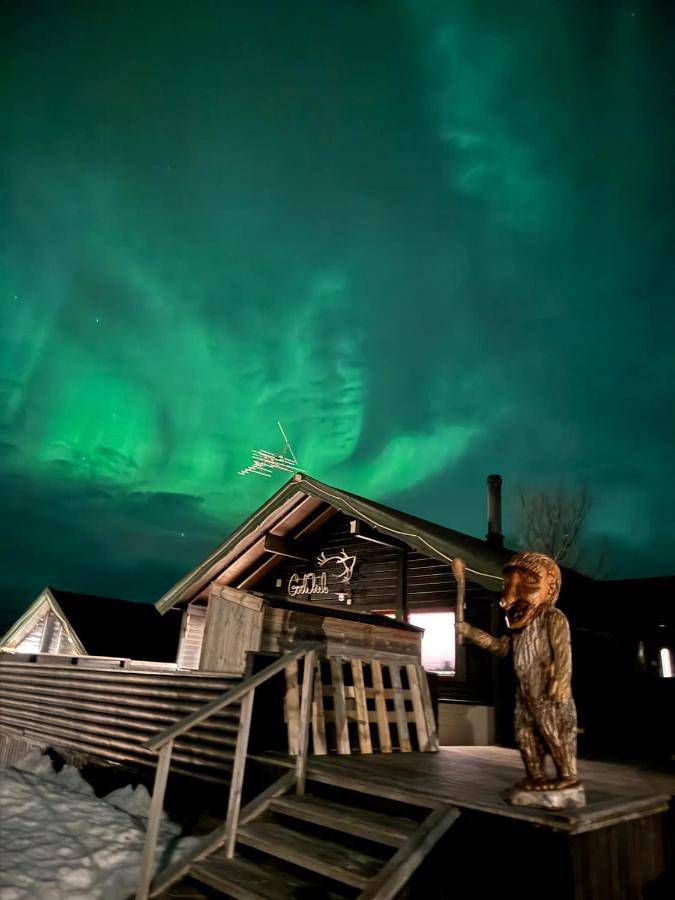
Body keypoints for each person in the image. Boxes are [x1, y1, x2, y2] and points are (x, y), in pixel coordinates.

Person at [456, 550, 580, 795]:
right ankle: (536, 775)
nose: (509, 597)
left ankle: (568, 776)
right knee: (524, 733)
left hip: (548, 691)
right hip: (525, 693)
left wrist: (561, 680)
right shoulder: (518, 630)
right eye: (507, 584)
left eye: (529, 582)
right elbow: (501, 648)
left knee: (554, 730)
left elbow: (563, 651)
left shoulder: (552, 618)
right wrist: (471, 632)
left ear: (551, 587)